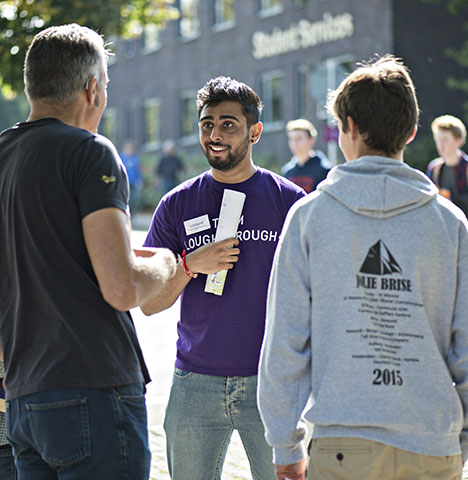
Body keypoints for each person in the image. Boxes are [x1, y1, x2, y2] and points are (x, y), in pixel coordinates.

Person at [258, 55, 468, 480]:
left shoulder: (309, 218)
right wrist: (465, 437)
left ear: (350, 128)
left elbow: (285, 342)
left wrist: (285, 443)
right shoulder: (449, 224)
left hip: (342, 444)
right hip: (432, 444)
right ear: (413, 132)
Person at [0, 24, 176, 479]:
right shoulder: (91, 152)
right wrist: (162, 262)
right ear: (92, 88)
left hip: (22, 399)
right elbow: (122, 288)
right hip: (94, 388)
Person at [140, 76, 305, 479]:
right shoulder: (175, 204)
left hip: (270, 384)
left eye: (228, 124)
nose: (214, 134)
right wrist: (189, 265)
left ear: (255, 131)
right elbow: (148, 303)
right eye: (206, 124)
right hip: (194, 381)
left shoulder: (291, 204)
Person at [426, 115, 468, 229]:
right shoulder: (434, 168)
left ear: (459, 141)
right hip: (444, 232)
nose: (440, 144)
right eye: (438, 139)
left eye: (445, 140)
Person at [281, 118, 331, 193]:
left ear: (311, 140)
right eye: (291, 139)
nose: (294, 143)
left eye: (298, 138)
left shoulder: (324, 170)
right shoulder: (287, 172)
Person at [120, 140, 143, 215]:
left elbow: (138, 169)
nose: (129, 150)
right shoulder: (121, 158)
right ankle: (126, 213)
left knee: (136, 198)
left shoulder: (135, 158)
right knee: (126, 199)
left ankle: (132, 212)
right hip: (125, 182)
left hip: (134, 182)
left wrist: (139, 180)